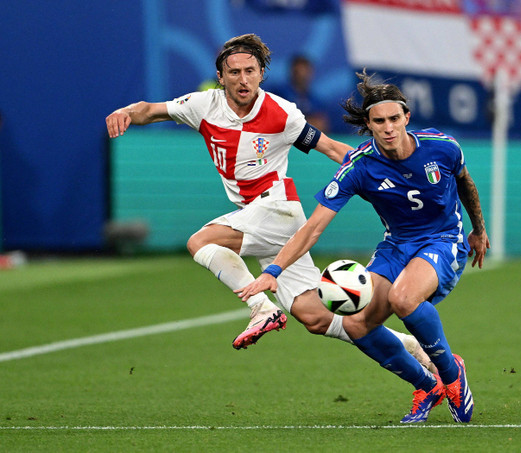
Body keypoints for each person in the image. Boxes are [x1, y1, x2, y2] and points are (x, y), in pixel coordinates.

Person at [105, 34, 434, 371]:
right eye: (234, 72)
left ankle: (261, 308)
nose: (243, 79)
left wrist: (389, 171)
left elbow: (333, 149)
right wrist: (126, 112)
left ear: (262, 73)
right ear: (221, 77)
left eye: (250, 71)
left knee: (201, 241)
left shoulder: (281, 112)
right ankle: (414, 348)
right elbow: (149, 111)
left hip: (277, 209)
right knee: (315, 317)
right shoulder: (203, 105)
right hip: (255, 216)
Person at [237, 70, 490, 424]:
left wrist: (478, 229)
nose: (387, 128)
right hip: (396, 245)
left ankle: (451, 374)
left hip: (443, 239)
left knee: (403, 299)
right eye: (378, 121)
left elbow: (465, 182)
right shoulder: (359, 166)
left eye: (393, 119)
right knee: (356, 325)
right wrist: (274, 271)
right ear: (368, 125)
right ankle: (426, 385)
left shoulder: (443, 147)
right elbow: (312, 228)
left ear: (406, 118)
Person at [273, 54, 331, 132]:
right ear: (292, 72)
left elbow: (320, 122)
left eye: (305, 71)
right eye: (298, 71)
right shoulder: (280, 93)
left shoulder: (313, 98)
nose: (302, 75)